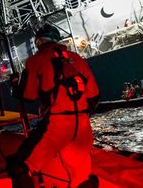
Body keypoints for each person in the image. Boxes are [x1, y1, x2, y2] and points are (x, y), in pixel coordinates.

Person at [7, 23, 100, 187]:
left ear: (39, 42)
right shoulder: (77, 59)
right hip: (83, 127)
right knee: (81, 177)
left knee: (19, 166)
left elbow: (28, 96)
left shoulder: (36, 61)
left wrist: (15, 85)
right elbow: (94, 96)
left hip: (57, 127)